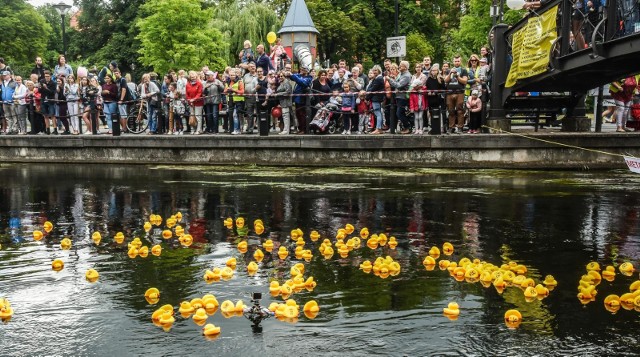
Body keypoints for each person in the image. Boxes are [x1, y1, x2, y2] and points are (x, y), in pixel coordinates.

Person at [444, 55, 469, 134]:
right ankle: (451, 127)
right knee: (450, 111)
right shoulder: (448, 70)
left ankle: (460, 128)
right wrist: (450, 73)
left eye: (458, 61)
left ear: (460, 61)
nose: (457, 62)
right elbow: (446, 80)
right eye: (455, 61)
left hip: (459, 92)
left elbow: (464, 81)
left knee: (460, 111)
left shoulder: (463, 70)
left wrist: (457, 76)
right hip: (450, 93)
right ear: (453, 62)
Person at [387, 60, 412, 134]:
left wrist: (390, 80)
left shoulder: (407, 76)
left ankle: (408, 127)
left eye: (401, 65)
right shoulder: (401, 74)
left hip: (403, 97)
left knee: (399, 113)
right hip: (398, 96)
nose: (399, 66)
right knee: (398, 113)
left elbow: (398, 85)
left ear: (405, 67)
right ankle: (405, 127)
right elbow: (397, 84)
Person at [290, 65, 313, 134]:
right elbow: (292, 77)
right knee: (298, 114)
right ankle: (300, 128)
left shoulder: (309, 78)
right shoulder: (299, 75)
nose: (302, 70)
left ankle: (304, 129)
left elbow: (302, 83)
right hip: (297, 98)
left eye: (304, 69)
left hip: (303, 99)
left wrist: (294, 76)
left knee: (302, 114)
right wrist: (290, 74)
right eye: (301, 69)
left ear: (307, 70)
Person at [426, 64, 445, 132]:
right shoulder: (429, 79)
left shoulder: (441, 79)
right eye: (432, 70)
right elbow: (427, 87)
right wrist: (428, 92)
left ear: (437, 71)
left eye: (435, 70)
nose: (433, 72)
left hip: (438, 98)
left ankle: (440, 127)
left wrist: (436, 93)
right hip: (430, 98)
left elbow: (443, 88)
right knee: (431, 113)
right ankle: (432, 127)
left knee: (438, 113)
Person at [367, 65, 386, 135]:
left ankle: (378, 129)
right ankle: (379, 128)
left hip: (376, 98)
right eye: (373, 70)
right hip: (377, 98)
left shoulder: (378, 79)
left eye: (376, 70)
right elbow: (370, 88)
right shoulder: (378, 78)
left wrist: (367, 98)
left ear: (379, 71)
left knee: (377, 113)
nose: (374, 72)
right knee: (379, 113)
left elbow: (372, 89)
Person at [225, 69, 244, 135]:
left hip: (238, 101)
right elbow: (224, 91)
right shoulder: (227, 81)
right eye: (230, 75)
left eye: (232, 75)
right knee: (231, 116)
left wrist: (233, 90)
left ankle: (237, 129)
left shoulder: (239, 81)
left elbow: (242, 91)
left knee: (236, 115)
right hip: (230, 101)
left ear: (236, 75)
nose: (231, 76)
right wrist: (227, 90)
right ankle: (232, 129)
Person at [409, 64, 427, 135]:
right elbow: (411, 86)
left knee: (420, 116)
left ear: (421, 68)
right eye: (417, 67)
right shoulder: (413, 76)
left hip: (421, 97)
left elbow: (421, 85)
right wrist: (414, 87)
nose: (418, 68)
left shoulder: (424, 76)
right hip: (414, 97)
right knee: (416, 116)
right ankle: (416, 129)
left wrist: (414, 87)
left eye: (419, 67)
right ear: (415, 68)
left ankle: (421, 129)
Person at [38, 70, 57, 135]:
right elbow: (39, 91)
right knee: (45, 115)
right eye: (45, 76)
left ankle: (55, 129)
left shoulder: (53, 83)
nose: (47, 77)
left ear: (50, 76)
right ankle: (48, 129)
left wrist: (46, 88)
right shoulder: (41, 81)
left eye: (48, 76)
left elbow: (52, 92)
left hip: (50, 100)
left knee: (52, 115)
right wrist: (40, 87)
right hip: (43, 100)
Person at [274, 71, 292, 135]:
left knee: (286, 116)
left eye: (282, 76)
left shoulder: (286, 82)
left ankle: (286, 130)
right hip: (283, 102)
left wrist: (278, 94)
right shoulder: (282, 82)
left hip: (286, 102)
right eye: (280, 76)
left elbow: (288, 92)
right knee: (285, 116)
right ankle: (285, 130)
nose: (280, 77)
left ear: (285, 76)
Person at [243, 62, 259, 133]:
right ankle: (250, 129)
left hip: (257, 97)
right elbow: (243, 85)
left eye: (253, 66)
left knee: (259, 113)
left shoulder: (259, 75)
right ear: (248, 68)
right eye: (251, 67)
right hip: (248, 97)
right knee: (249, 114)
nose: (252, 67)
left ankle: (260, 129)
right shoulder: (245, 76)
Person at [114, 69, 131, 134]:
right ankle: (123, 127)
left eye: (117, 73)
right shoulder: (116, 80)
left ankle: (125, 128)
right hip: (118, 99)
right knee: (120, 114)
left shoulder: (123, 80)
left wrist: (121, 99)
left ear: (120, 73)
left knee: (123, 114)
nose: (116, 74)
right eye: (115, 73)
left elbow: (124, 90)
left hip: (123, 100)